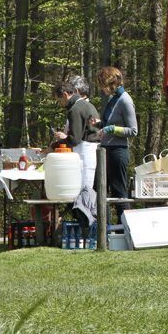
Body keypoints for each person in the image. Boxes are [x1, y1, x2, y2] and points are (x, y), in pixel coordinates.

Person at [52, 78, 101, 235]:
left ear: (66, 94)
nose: (59, 103)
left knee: (84, 191)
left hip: (86, 151)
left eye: (59, 99)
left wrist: (60, 140)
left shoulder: (75, 109)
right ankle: (88, 229)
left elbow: (74, 139)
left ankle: (87, 230)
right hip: (93, 149)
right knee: (87, 189)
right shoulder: (88, 105)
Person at [95, 67, 137, 220]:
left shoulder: (125, 100)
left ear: (111, 84)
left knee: (119, 192)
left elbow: (133, 131)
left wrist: (111, 129)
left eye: (102, 85)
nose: (101, 89)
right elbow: (109, 123)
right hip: (106, 150)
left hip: (118, 152)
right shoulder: (113, 99)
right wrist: (100, 124)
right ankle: (104, 229)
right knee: (99, 189)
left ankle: (125, 230)